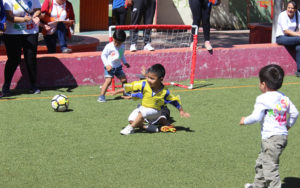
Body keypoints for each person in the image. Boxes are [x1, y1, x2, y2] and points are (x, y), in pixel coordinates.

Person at [240, 64, 298, 188]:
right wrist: (288, 125)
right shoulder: (284, 98)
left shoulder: (262, 98)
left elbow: (256, 117)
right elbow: (295, 113)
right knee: (261, 162)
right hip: (281, 137)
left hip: (271, 139)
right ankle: (257, 185)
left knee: (270, 169)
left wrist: (245, 120)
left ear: (263, 84)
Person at [119, 64, 190, 135]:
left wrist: (181, 111)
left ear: (161, 79)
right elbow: (136, 91)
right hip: (145, 110)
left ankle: (130, 128)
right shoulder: (146, 85)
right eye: (147, 77)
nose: (148, 80)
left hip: (157, 112)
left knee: (157, 117)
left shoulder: (164, 92)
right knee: (132, 120)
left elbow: (174, 101)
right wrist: (125, 94)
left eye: (152, 78)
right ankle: (150, 128)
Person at [1, 0, 41, 97]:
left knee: (30, 58)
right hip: (12, 33)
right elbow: (9, 17)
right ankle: (6, 86)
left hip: (31, 31)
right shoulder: (7, 1)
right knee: (14, 59)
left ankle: (33, 85)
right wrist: (24, 20)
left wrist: (35, 16)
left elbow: (38, 9)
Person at [98, 29, 130, 102]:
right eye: (116, 42)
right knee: (108, 81)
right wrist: (107, 65)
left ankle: (125, 93)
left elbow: (122, 55)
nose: (117, 44)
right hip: (110, 67)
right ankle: (101, 96)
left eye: (119, 43)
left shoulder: (122, 46)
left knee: (124, 80)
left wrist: (125, 62)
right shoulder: (109, 46)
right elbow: (103, 55)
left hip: (118, 67)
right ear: (113, 38)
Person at [276, 0, 300, 77]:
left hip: (293, 38)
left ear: (295, 9)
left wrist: (298, 34)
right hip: (282, 37)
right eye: (288, 7)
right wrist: (298, 35)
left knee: (299, 48)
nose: (290, 10)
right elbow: (286, 31)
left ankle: (299, 71)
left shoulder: (298, 14)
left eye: (292, 8)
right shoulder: (282, 15)